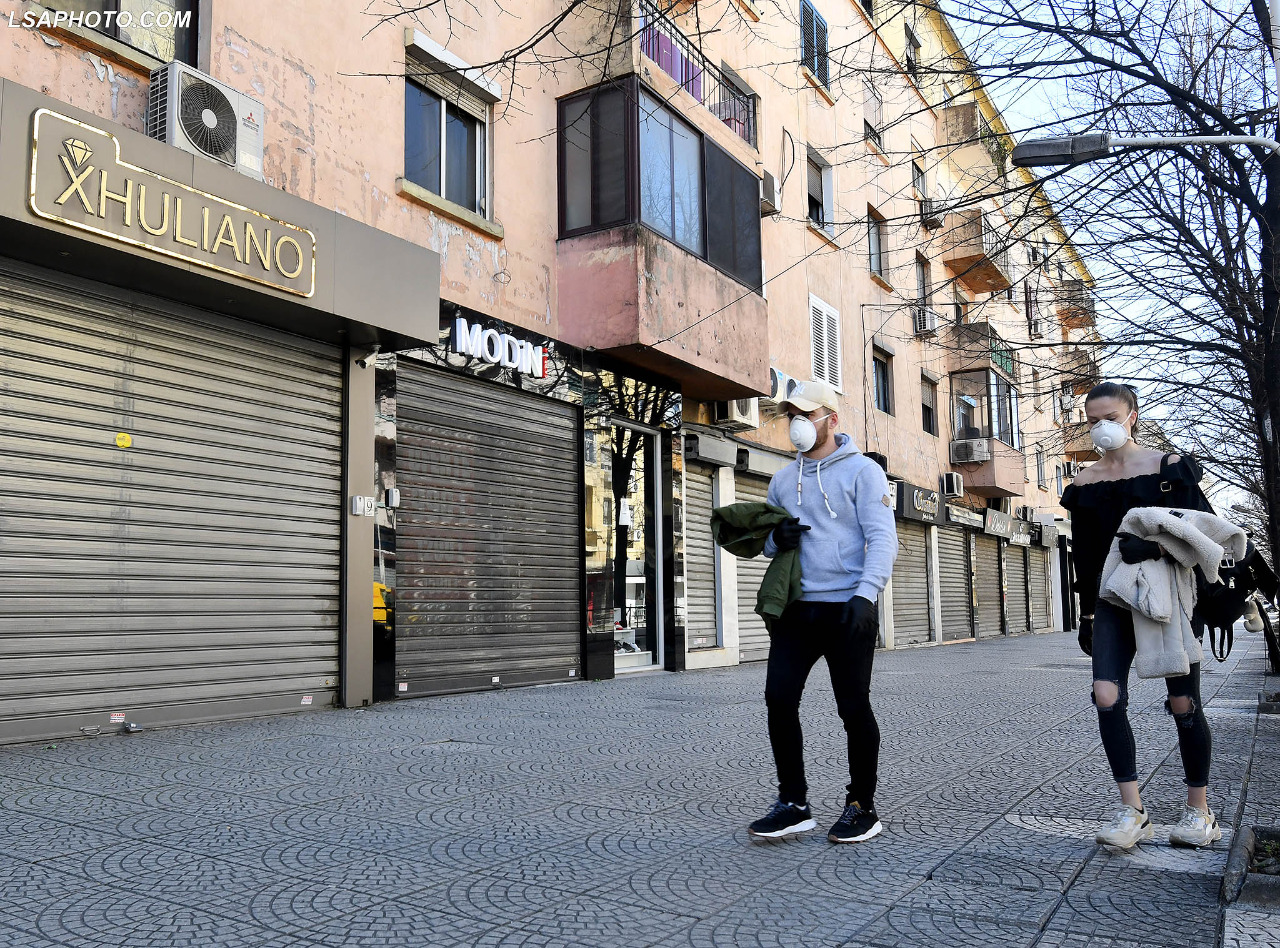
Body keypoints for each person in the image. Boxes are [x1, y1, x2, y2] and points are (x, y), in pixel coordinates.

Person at [1061, 381, 1220, 849]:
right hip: (1110, 601)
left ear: (1132, 415)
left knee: (1183, 703)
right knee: (1106, 696)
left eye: (1110, 418)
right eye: (1092, 420)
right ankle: (1133, 810)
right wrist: (1086, 615)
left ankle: (1199, 811)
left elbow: (1205, 532)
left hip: (1169, 596)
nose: (1101, 428)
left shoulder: (1168, 468)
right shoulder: (1084, 483)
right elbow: (1084, 556)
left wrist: (1157, 547)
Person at [746, 379, 898, 843]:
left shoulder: (863, 472)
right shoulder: (781, 479)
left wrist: (865, 595)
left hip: (849, 608)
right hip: (798, 611)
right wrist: (777, 539)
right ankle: (793, 803)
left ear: (831, 419)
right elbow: (767, 543)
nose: (797, 423)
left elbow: (882, 537)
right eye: (792, 415)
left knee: (852, 706)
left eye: (806, 415)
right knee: (778, 699)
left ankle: (862, 806)